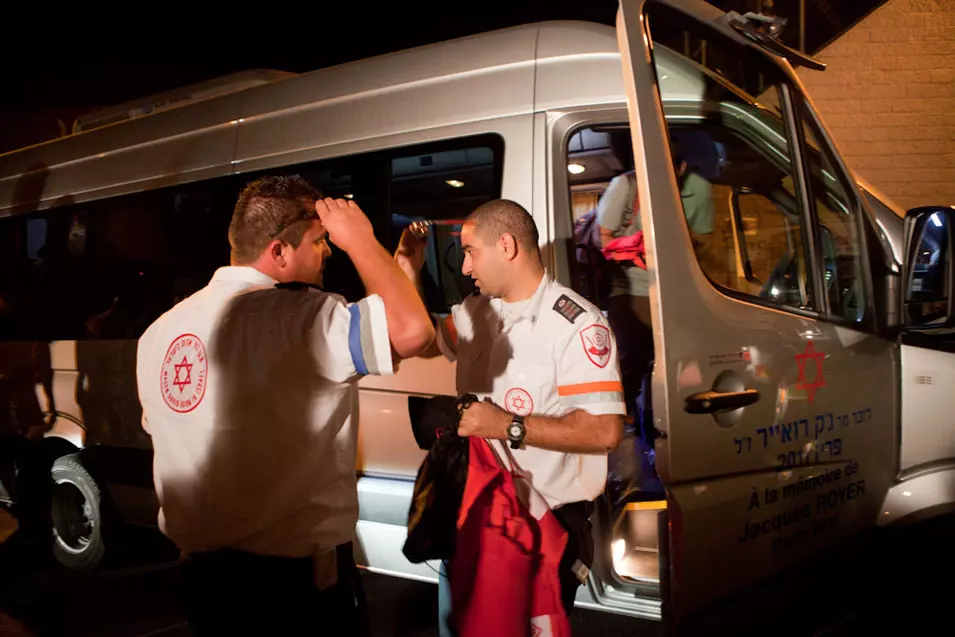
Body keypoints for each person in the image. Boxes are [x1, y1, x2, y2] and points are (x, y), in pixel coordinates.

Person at [136, 176, 434, 636]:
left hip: (205, 584)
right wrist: (360, 239)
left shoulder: (159, 333)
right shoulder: (304, 316)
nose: (328, 254)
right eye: (320, 242)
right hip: (294, 593)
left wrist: (396, 268)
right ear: (278, 251)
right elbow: (413, 331)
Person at [398, 199, 626, 630]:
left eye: (470, 252)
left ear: (506, 245)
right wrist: (407, 270)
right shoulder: (474, 312)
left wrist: (505, 425)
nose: (465, 268)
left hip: (542, 528)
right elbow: (422, 342)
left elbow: (604, 431)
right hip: (475, 513)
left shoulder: (577, 325)